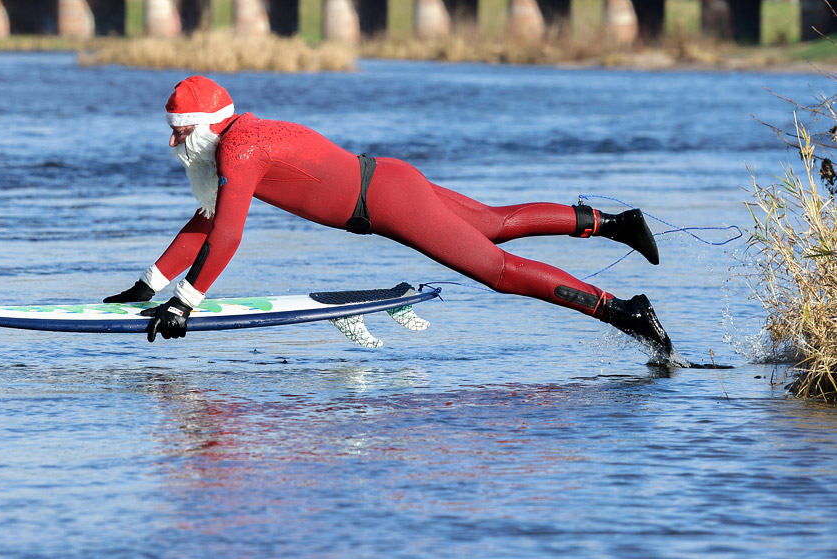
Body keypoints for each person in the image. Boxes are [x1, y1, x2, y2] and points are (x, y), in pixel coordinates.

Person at [106, 75, 673, 360]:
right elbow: (208, 220)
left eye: (180, 132)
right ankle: (616, 224)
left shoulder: (239, 150)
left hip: (388, 203)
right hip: (390, 179)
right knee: (495, 224)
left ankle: (624, 311)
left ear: (207, 125)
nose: (173, 143)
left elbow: (229, 234)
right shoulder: (238, 139)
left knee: (498, 270)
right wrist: (150, 285)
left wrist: (185, 302)